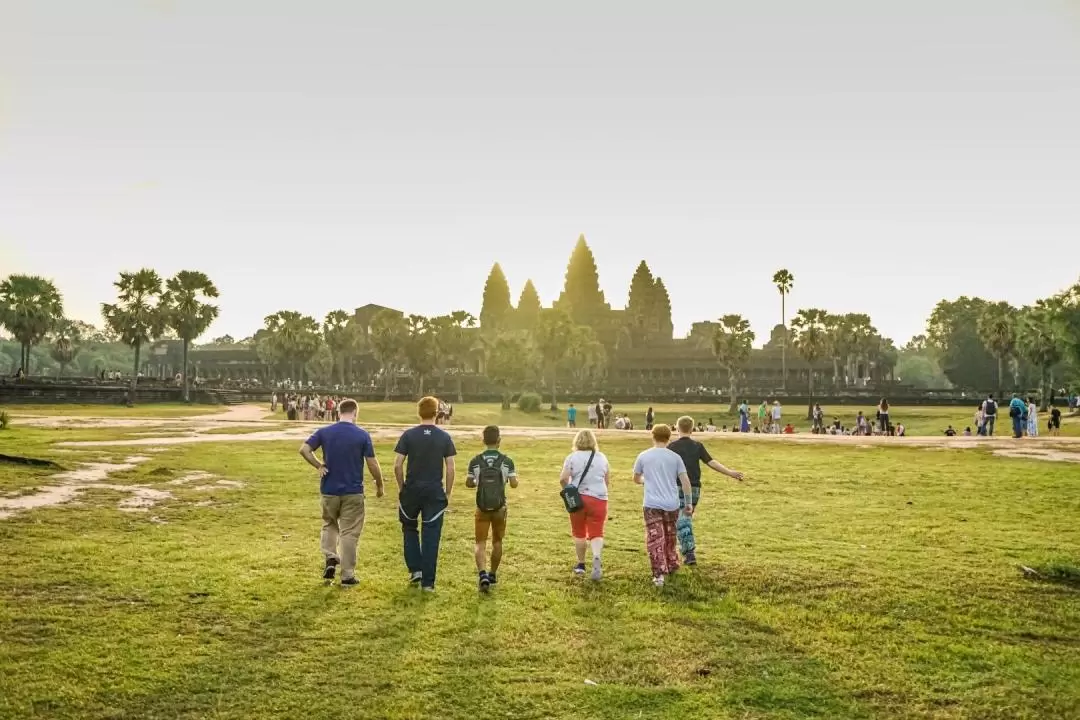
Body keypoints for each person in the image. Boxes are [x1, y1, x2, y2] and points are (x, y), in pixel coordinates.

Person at [298, 399, 384, 588]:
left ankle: (330, 556)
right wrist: (379, 485)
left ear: (338, 412)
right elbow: (372, 463)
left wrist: (318, 465)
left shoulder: (325, 432)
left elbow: (304, 449)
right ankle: (347, 575)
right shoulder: (362, 435)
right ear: (355, 413)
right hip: (353, 491)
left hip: (329, 489)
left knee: (329, 524)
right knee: (349, 533)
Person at [394, 396, 457, 592]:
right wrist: (447, 491)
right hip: (433, 491)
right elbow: (450, 468)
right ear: (438, 413)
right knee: (431, 535)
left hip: (412, 489)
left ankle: (415, 570)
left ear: (419, 413)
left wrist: (401, 486)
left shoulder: (408, 435)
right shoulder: (444, 437)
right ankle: (428, 583)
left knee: (409, 527)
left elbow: (397, 465)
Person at [667, 416, 744, 566]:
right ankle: (681, 551)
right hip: (695, 488)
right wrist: (730, 472)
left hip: (677, 487)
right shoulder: (697, 445)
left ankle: (689, 553)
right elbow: (711, 462)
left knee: (682, 520)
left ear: (677, 428)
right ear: (692, 429)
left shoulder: (671, 446)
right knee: (684, 519)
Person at [633, 425, 694, 587]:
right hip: (671, 503)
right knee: (670, 535)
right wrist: (688, 502)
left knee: (655, 538)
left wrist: (646, 481)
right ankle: (672, 563)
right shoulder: (675, 458)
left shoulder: (644, 456)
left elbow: (636, 478)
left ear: (653, 436)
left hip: (652, 503)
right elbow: (685, 481)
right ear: (669, 437)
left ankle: (659, 573)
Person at [466, 426, 519, 593]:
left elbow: (469, 482)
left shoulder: (475, 461)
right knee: (497, 541)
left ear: (483, 441)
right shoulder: (507, 461)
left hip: (481, 507)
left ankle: (482, 574)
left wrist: (476, 482)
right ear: (499, 441)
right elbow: (514, 483)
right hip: (499, 507)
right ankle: (493, 574)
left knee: (480, 542)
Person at [560, 429, 610, 581]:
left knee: (579, 532)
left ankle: (581, 564)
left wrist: (568, 491)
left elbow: (563, 479)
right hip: (599, 498)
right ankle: (596, 556)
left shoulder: (572, 458)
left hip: (578, 498)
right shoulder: (602, 457)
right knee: (597, 531)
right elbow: (607, 479)